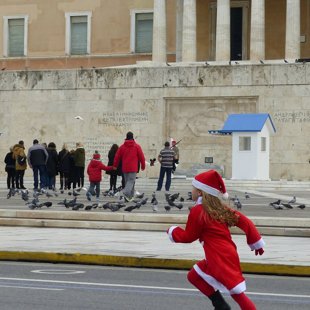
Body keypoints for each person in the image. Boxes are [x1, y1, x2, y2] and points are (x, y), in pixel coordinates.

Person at [167, 170, 265, 310]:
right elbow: (245, 222)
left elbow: (188, 237)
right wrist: (256, 242)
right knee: (194, 275)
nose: (192, 191)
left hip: (218, 256)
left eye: (193, 188)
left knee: (237, 293)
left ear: (200, 192)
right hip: (226, 252)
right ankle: (220, 305)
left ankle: (222, 306)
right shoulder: (219, 209)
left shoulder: (198, 211)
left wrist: (172, 231)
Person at [113, 131, 145, 202]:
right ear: (133, 137)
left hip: (125, 168)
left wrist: (115, 165)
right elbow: (141, 157)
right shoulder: (137, 146)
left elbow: (117, 157)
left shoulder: (122, 147)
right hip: (133, 168)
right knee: (131, 182)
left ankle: (129, 198)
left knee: (128, 182)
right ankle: (124, 193)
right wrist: (143, 165)